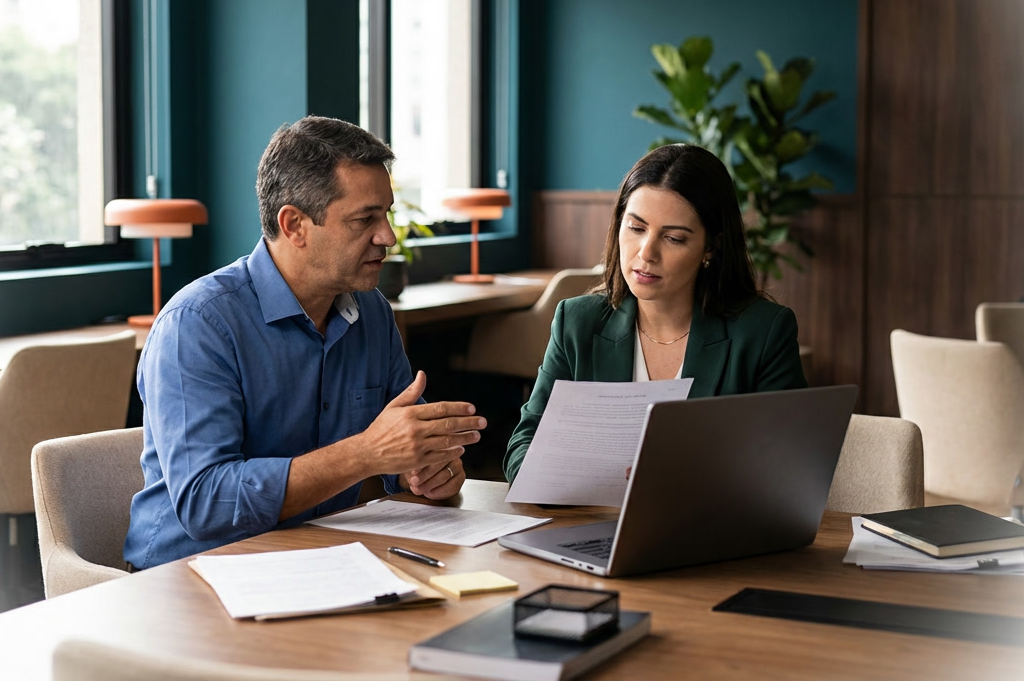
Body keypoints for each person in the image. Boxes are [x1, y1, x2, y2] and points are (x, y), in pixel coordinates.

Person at [125, 116, 485, 570]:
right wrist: (367, 453)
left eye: (387, 213)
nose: (388, 237)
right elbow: (206, 504)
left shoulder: (370, 311)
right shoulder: (196, 325)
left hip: (316, 559)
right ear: (294, 225)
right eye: (365, 219)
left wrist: (426, 468)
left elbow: (397, 452)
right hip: (188, 576)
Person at [503, 144, 808, 481]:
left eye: (674, 238)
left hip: (710, 531)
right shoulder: (577, 322)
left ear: (711, 247)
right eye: (635, 228)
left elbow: (787, 469)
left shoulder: (763, 332)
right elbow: (523, 449)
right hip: (590, 524)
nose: (646, 253)